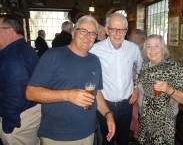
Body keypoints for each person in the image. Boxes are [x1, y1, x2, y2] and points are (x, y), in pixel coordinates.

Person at [26, 15, 115, 145]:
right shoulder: (52, 56)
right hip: (57, 136)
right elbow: (30, 93)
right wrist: (68, 95)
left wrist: (108, 114)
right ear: (73, 33)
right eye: (83, 31)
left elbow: (97, 93)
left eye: (92, 34)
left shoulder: (95, 61)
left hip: (88, 132)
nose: (87, 36)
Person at [89, 13, 143, 145]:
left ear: (126, 31)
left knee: (123, 139)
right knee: (107, 140)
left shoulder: (133, 49)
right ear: (107, 30)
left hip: (127, 105)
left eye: (122, 29)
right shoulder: (95, 50)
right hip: (105, 105)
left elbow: (142, 69)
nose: (118, 33)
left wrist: (136, 87)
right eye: (114, 29)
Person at [136, 34, 183, 145]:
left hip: (163, 124)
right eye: (148, 46)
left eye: (156, 45)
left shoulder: (173, 67)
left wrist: (169, 90)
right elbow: (140, 84)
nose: (152, 49)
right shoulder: (145, 65)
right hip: (144, 119)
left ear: (163, 49)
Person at [0, 15, 41, 145]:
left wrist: (8, 125)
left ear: (10, 31)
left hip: (18, 120)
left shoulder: (15, 57)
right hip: (28, 112)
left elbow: (16, 95)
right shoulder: (23, 48)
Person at [128, 29, 146, 144]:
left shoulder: (140, 51)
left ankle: (137, 136)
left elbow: (137, 70)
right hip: (138, 85)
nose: (129, 40)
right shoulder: (137, 49)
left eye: (131, 38)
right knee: (136, 113)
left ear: (138, 40)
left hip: (139, 86)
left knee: (137, 113)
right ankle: (137, 135)